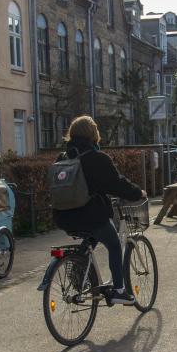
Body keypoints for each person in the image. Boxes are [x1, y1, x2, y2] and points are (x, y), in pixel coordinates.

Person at [53, 116, 145, 306]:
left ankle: (78, 268)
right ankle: (119, 290)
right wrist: (138, 193)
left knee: (92, 237)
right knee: (113, 244)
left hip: (63, 216)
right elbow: (117, 184)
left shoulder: (62, 158)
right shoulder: (97, 158)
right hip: (90, 216)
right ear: (93, 134)